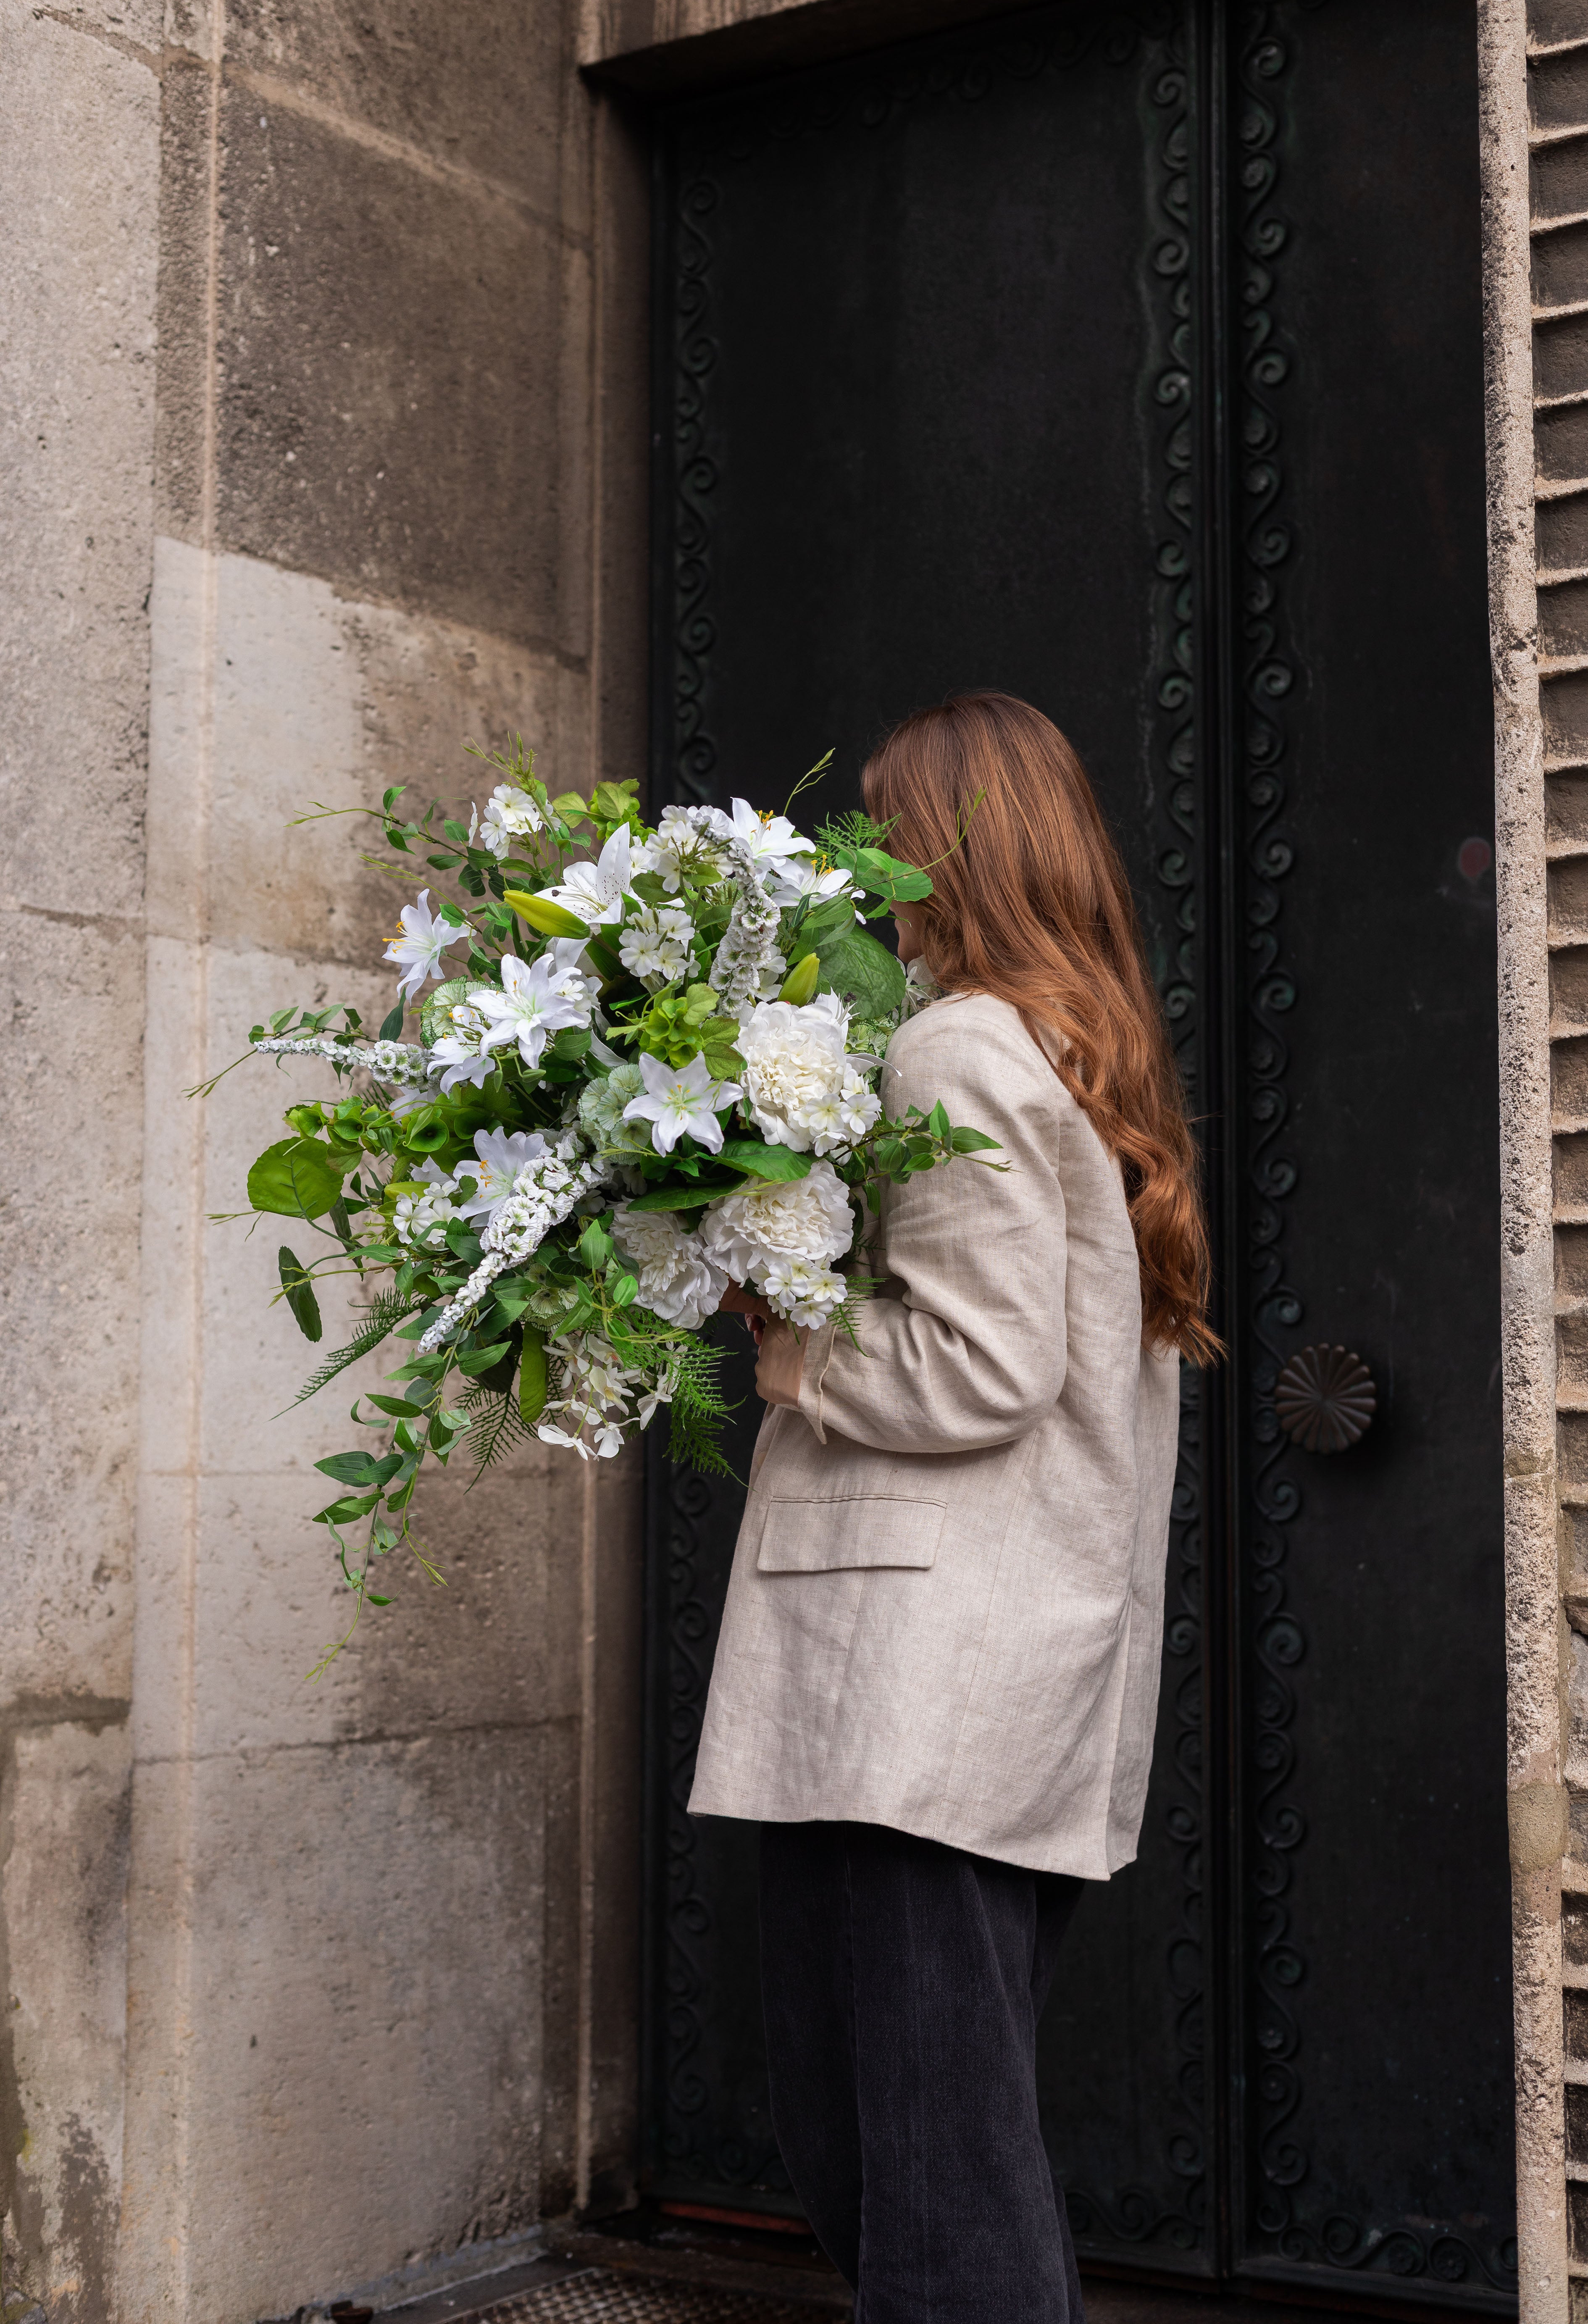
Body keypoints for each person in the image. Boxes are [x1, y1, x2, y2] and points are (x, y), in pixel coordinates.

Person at [691, 689, 1220, 2324]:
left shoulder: (954, 1050)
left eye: (882, 833)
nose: (862, 868)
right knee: (934, 2149)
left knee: (917, 2171)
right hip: (980, 1670)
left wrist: (789, 1339)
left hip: (912, 1687)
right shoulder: (1066, 1048)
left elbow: (981, 1365)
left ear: (946, 851)